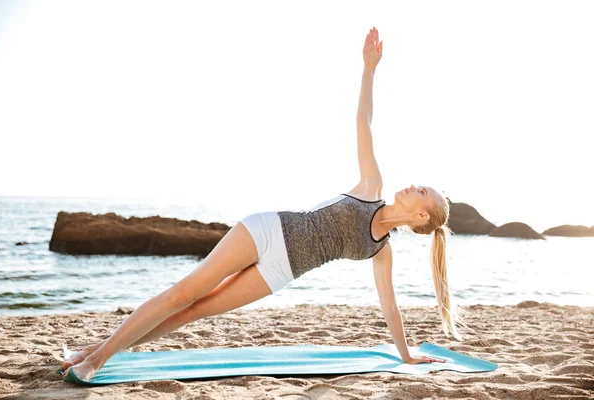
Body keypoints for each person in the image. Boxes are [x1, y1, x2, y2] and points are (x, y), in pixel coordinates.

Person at [62, 27, 468, 382]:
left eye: (423, 193)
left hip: (280, 271)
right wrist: (369, 69)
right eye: (421, 185)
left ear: (420, 217)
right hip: (267, 231)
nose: (414, 186)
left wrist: (405, 355)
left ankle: (97, 353)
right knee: (181, 294)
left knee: (192, 312)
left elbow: (390, 308)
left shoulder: (382, 251)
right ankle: (96, 358)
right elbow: (363, 120)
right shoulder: (370, 186)